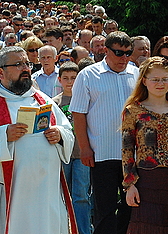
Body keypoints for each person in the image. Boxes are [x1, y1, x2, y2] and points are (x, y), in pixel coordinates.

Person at [0, 46, 75, 233]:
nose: (26, 68)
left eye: (27, 63)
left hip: (46, 192)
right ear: (0, 72)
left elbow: (67, 131)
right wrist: (3, 136)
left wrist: (59, 135)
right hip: (9, 195)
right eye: (18, 64)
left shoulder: (42, 99)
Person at [70, 31, 139, 234]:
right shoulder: (88, 75)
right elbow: (78, 114)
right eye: (119, 53)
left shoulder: (135, 73)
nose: (124, 58)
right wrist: (84, 148)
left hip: (132, 154)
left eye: (128, 53)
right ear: (106, 51)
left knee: (131, 207)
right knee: (104, 209)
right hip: (101, 153)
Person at [121, 57, 168, 233]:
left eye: (165, 79)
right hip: (146, 182)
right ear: (144, 81)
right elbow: (127, 150)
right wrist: (129, 185)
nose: (160, 83)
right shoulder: (133, 111)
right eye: (155, 79)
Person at [52, 62, 92, 234]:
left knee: (81, 195)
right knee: (62, 194)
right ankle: (63, 228)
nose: (70, 82)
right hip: (63, 154)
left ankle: (83, 230)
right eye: (66, 78)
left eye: (74, 78)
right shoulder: (54, 103)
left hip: (82, 153)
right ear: (59, 80)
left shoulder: (86, 99)